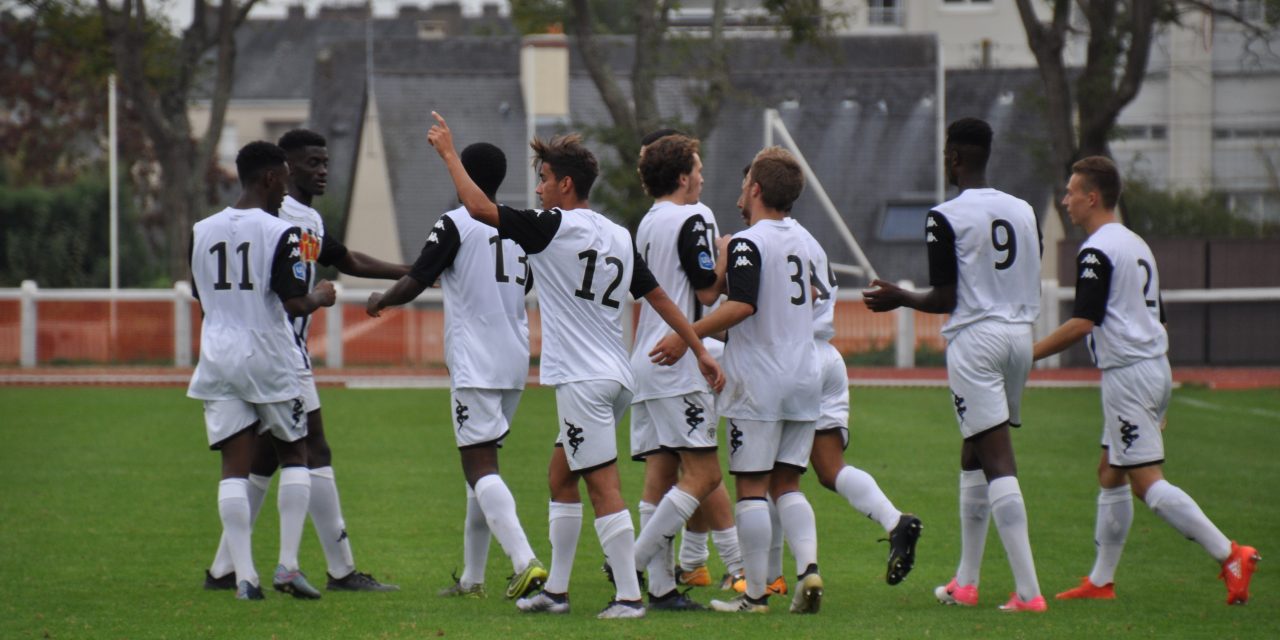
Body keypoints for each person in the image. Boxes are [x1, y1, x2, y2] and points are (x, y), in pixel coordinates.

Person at [425, 112, 724, 619]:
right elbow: (658, 298)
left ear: (565, 184)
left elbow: (477, 207)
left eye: (543, 179)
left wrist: (450, 154)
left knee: (602, 486)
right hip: (616, 378)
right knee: (561, 477)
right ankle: (556, 591)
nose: (538, 189)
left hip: (582, 381)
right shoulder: (617, 234)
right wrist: (696, 347)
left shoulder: (552, 229)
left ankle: (629, 595)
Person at [1032, 156, 1260, 605]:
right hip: (1152, 368)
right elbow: (1160, 320)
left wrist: (1028, 355)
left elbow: (1083, 322)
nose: (1066, 201)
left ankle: (1230, 553)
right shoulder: (1136, 244)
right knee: (1110, 471)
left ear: (1092, 197)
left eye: (1071, 192)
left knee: (1145, 482)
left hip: (1128, 375)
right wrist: (1160, 400)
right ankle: (1100, 582)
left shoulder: (1097, 250)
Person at [204, 129, 405, 593]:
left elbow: (345, 257)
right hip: (279, 354)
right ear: (284, 169)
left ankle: (222, 569)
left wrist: (411, 272)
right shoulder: (280, 219)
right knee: (310, 451)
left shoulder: (306, 218)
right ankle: (339, 569)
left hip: (260, 353)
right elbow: (293, 295)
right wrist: (317, 298)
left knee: (265, 459)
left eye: (326, 162)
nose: (323, 170)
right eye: (313, 162)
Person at [863, 117, 1046, 612]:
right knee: (974, 454)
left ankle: (1028, 592)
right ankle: (965, 583)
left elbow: (946, 297)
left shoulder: (944, 215)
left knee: (997, 459)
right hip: (1020, 336)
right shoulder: (1025, 210)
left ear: (954, 158)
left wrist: (900, 297)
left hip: (976, 340)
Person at [366, 141, 547, 601]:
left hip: (475, 358)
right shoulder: (515, 225)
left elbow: (415, 279)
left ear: (462, 172)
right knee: (482, 466)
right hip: (513, 358)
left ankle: (524, 561)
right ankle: (472, 578)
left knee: (479, 465)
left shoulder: (456, 221)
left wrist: (381, 300)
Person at [655, 147, 824, 615]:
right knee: (787, 484)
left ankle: (754, 595)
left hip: (761, 379)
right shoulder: (805, 241)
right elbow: (813, 293)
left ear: (755, 188)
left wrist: (685, 335)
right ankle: (808, 568)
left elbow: (743, 305)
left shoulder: (752, 241)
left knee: (751, 487)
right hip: (805, 377)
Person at [188, 140, 336, 600]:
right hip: (269, 355)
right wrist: (321, 296)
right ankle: (288, 566)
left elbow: (199, 294)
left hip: (217, 356)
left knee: (234, 468)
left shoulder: (201, 229)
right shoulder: (280, 232)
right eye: (283, 180)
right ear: (270, 177)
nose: (284, 192)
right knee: (296, 454)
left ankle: (245, 577)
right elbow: (294, 301)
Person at [627, 133, 735, 611]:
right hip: (678, 359)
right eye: (698, 167)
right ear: (681, 177)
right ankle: (631, 562)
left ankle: (664, 588)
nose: (703, 177)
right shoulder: (695, 217)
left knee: (660, 475)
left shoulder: (647, 222)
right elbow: (708, 292)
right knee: (706, 473)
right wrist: (727, 250)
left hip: (645, 359)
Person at [792, 217, 924, 589]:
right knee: (830, 468)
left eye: (744, 190)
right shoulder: (809, 238)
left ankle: (769, 580)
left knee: (772, 477)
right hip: (828, 358)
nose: (739, 202)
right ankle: (895, 520)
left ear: (757, 191)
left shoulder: (764, 239)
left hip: (793, 358)